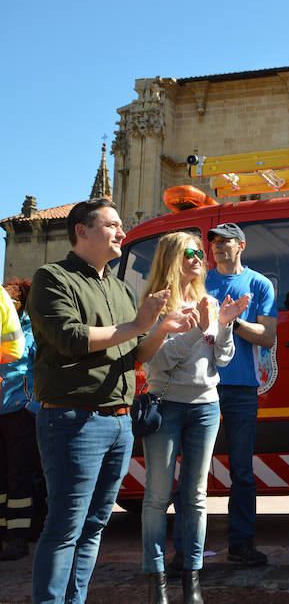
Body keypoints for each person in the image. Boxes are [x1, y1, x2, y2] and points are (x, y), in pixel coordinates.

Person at [27, 198, 192, 604]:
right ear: (82, 231)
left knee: (95, 524)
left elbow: (136, 352)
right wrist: (138, 323)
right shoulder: (52, 278)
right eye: (113, 225)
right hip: (73, 420)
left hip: (118, 422)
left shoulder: (118, 287)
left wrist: (160, 328)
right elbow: (71, 338)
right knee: (66, 526)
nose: (122, 233)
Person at [139, 232, 248, 603]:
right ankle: (157, 582)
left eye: (200, 252)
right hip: (166, 406)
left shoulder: (210, 301)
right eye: (191, 252)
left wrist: (226, 324)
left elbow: (222, 359)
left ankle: (193, 582)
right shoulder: (156, 303)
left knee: (197, 496)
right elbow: (156, 360)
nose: (200, 256)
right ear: (173, 258)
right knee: (157, 496)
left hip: (206, 407)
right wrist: (198, 331)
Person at [171, 222, 277, 569]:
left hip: (241, 388)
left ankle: (241, 545)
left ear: (241, 246)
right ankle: (184, 551)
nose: (216, 246)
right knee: (191, 473)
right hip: (199, 384)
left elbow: (267, 336)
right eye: (212, 241)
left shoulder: (259, 284)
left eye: (224, 241)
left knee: (242, 471)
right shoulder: (199, 281)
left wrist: (231, 321)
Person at [0, 279, 35, 561]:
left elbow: (41, 371)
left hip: (19, 414)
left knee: (18, 476)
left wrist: (31, 407)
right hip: (5, 413)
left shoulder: (30, 333)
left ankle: (17, 537)